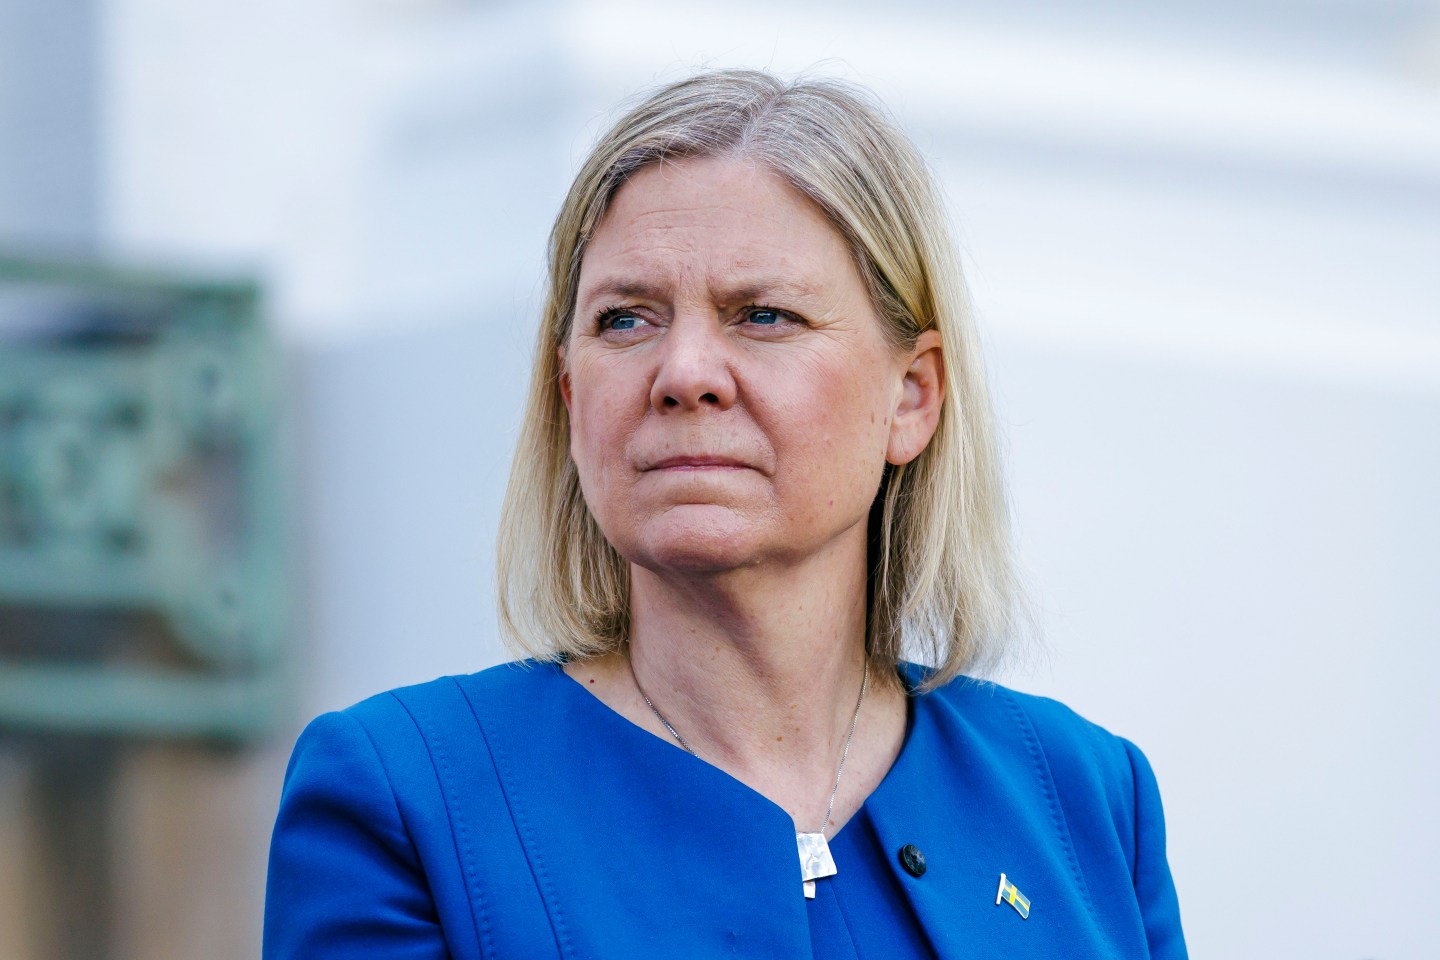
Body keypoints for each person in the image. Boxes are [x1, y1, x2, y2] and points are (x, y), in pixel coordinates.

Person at [263, 69, 1187, 959]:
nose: (684, 374)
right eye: (626, 319)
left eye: (764, 316)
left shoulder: (1085, 801)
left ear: (911, 395)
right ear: (569, 394)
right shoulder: (408, 801)